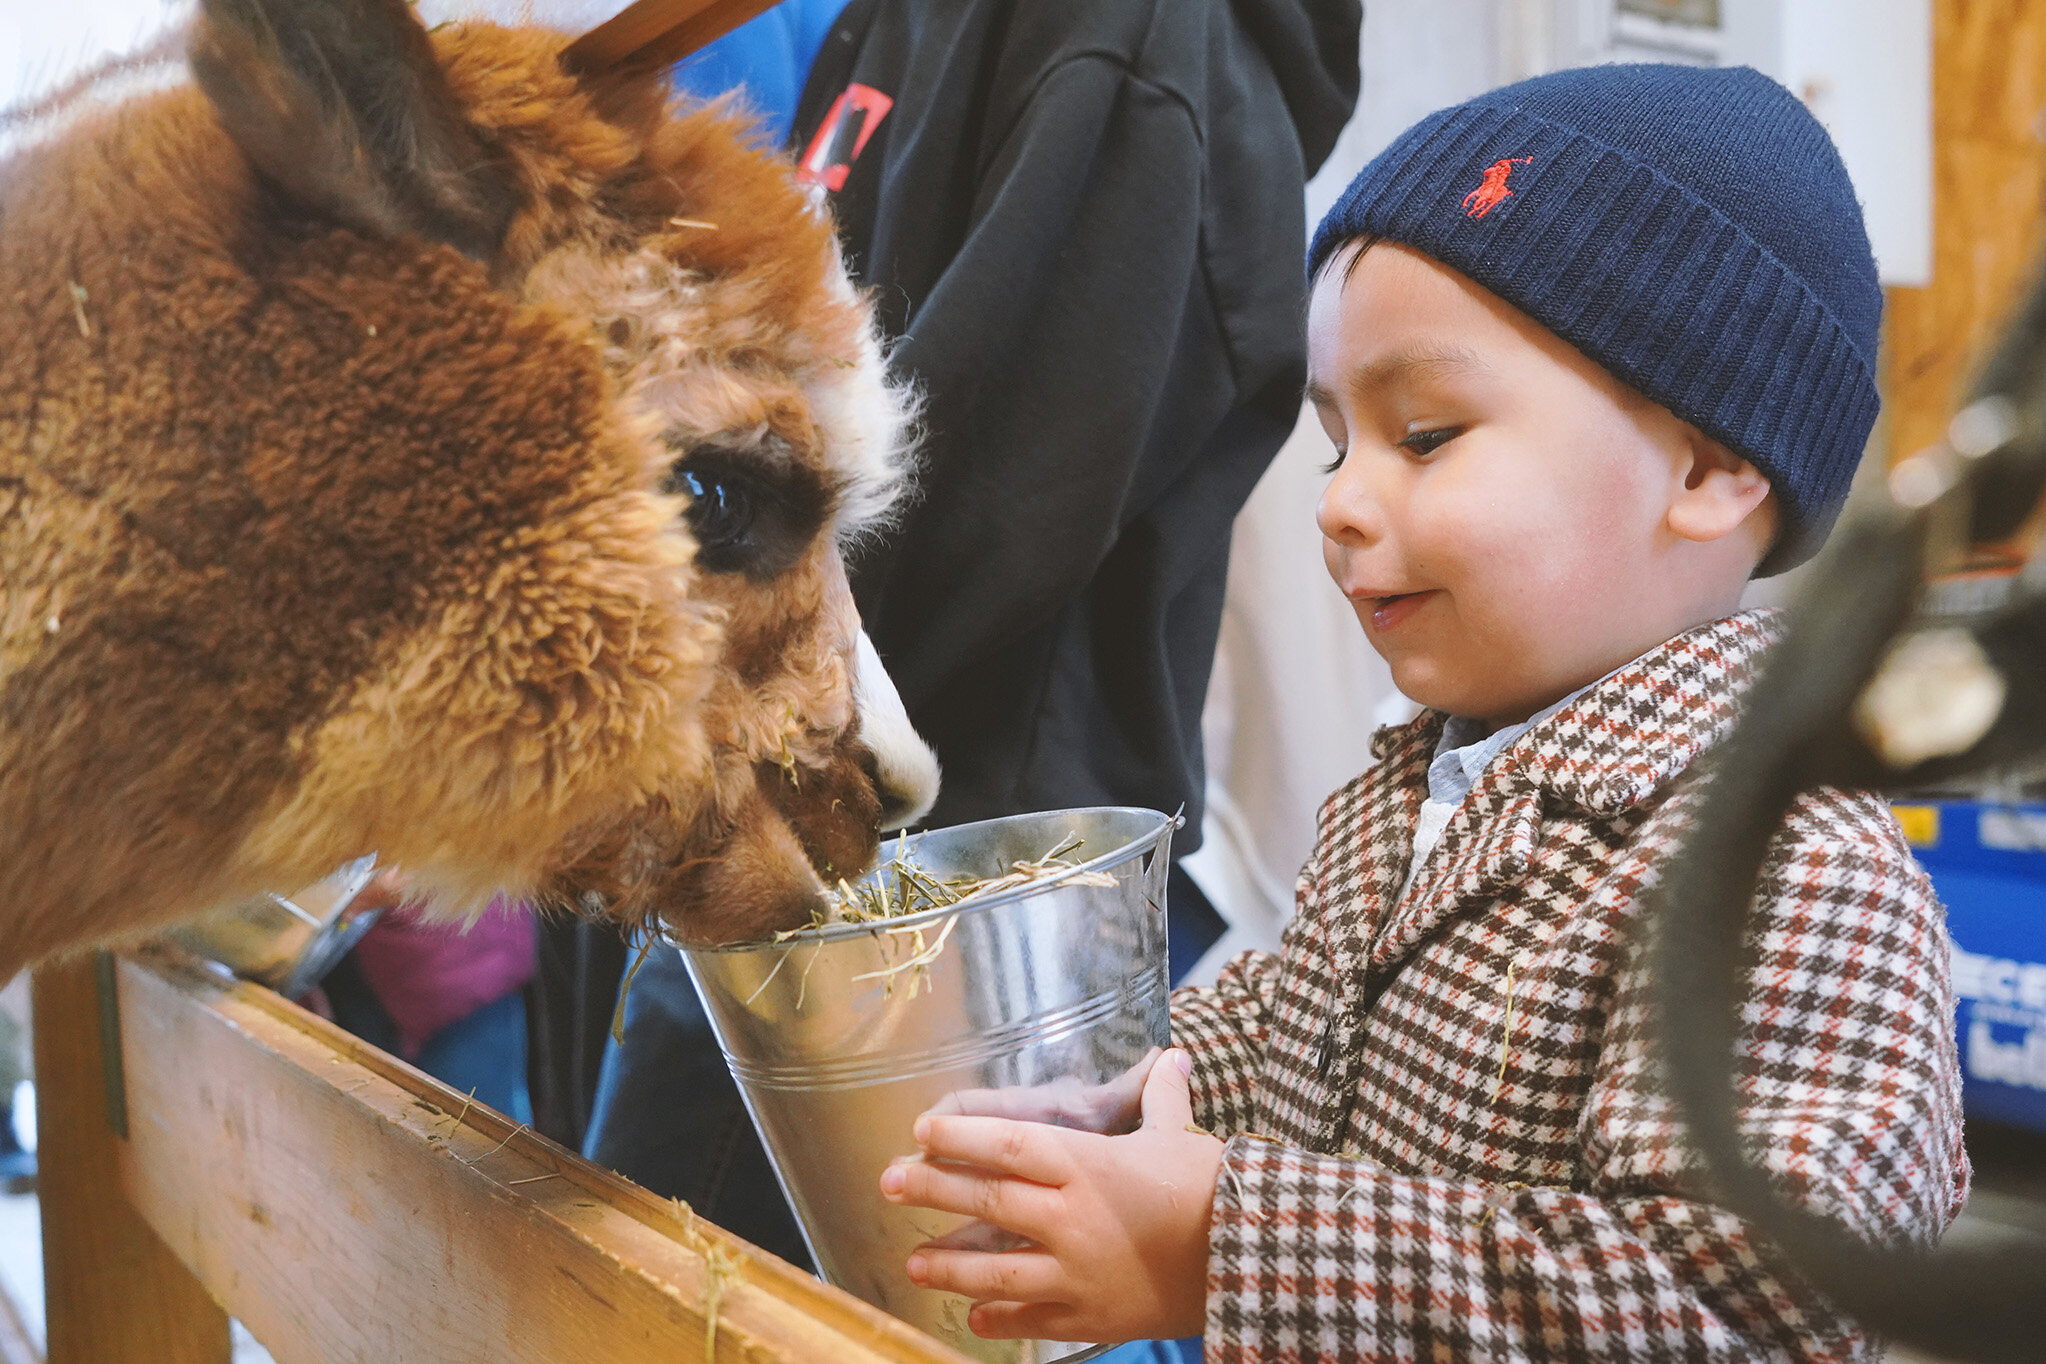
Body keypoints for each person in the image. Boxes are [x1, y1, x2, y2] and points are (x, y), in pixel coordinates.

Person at [878, 63, 1970, 1360]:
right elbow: (1301, 1020)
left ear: (1709, 468)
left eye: (1429, 432)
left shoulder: (1784, 866)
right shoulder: (1422, 789)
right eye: (1339, 439)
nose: (1338, 501)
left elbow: (1741, 1312)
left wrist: (1219, 1244)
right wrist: (1121, 1097)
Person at [581, 0, 1363, 1290]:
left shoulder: (1138, 42)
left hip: (932, 889)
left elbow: (998, 480)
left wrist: (701, 689)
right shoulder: (886, 25)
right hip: (762, 815)